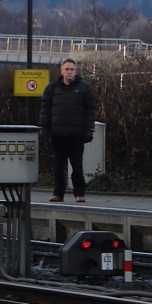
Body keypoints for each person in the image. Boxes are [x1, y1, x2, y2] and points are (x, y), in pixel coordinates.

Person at [39, 57, 97, 203]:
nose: (69, 72)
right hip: (57, 134)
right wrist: (44, 128)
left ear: (75, 71)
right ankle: (58, 193)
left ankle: (79, 193)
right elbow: (45, 110)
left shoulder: (84, 88)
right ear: (61, 71)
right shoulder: (51, 88)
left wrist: (89, 129)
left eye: (72, 69)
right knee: (58, 166)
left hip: (76, 134)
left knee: (77, 165)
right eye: (67, 69)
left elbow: (90, 111)